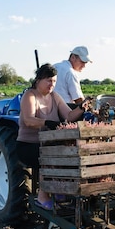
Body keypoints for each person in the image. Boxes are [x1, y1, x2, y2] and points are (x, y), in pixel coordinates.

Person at [16, 63, 89, 210]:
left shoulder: (55, 96)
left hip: (49, 144)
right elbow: (28, 120)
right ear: (38, 80)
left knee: (69, 154)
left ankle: (58, 189)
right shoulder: (30, 95)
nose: (52, 84)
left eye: (54, 81)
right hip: (29, 145)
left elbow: (69, 115)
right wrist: (47, 122)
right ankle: (42, 197)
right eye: (49, 80)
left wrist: (82, 108)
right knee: (50, 157)